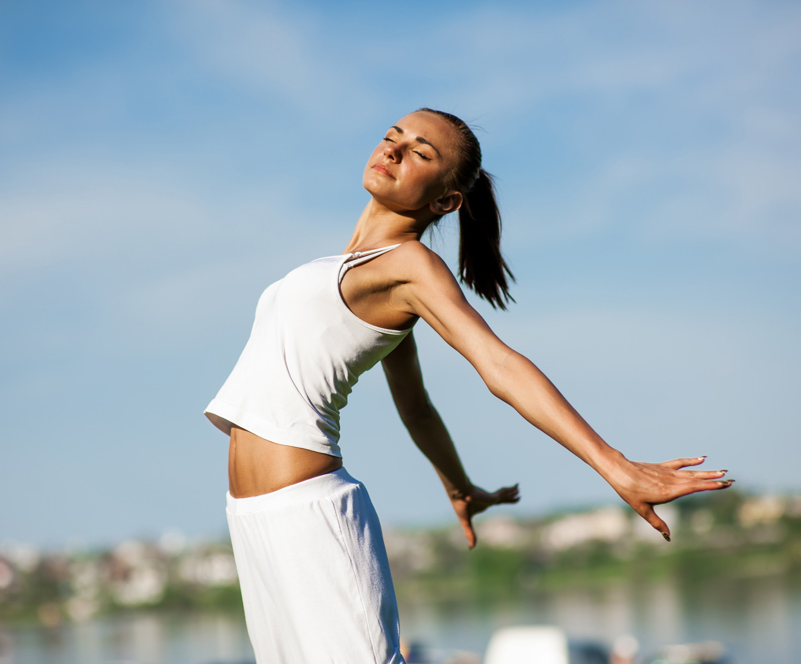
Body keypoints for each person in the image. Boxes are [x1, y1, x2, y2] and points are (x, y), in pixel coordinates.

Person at [204, 108, 734, 663]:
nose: (395, 149)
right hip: (253, 519)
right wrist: (458, 485)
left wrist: (615, 465)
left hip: (312, 516)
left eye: (420, 152)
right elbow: (416, 409)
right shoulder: (355, 270)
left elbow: (499, 365)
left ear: (445, 201)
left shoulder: (410, 266)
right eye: (393, 137)